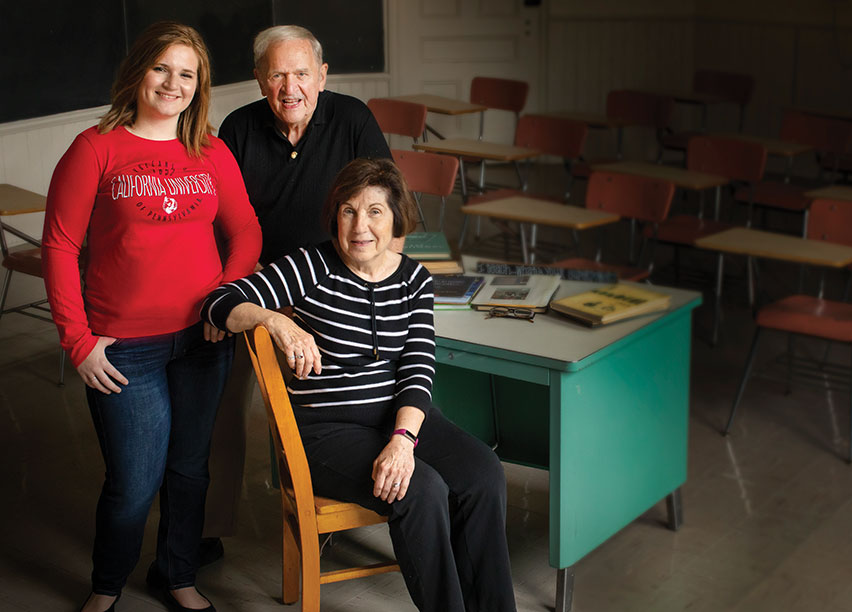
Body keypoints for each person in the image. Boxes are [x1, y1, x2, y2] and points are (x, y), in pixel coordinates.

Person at [201, 158, 516, 612]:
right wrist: (275, 321)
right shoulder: (310, 266)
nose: (359, 226)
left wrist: (403, 439)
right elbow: (218, 302)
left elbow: (417, 368)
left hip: (401, 419)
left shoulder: (414, 280)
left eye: (375, 211)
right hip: (329, 430)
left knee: (484, 473)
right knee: (420, 490)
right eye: (348, 210)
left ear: (396, 219)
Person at [41, 21, 262, 612]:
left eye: (187, 74)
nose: (173, 83)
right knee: (134, 483)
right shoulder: (95, 148)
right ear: (138, 71)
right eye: (162, 68)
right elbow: (59, 245)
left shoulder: (210, 151)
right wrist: (78, 342)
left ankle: (177, 575)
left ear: (200, 85)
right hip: (124, 349)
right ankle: (106, 586)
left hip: (202, 340)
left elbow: (245, 231)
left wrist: (228, 299)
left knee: (190, 469)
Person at [201, 24, 392, 553]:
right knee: (221, 405)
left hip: (334, 287)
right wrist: (229, 291)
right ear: (260, 80)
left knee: (329, 407)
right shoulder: (238, 129)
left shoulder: (352, 119)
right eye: (278, 74)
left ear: (322, 76)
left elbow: (388, 211)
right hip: (257, 283)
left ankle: (323, 511)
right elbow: (214, 222)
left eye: (302, 73)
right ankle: (209, 529)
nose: (291, 87)